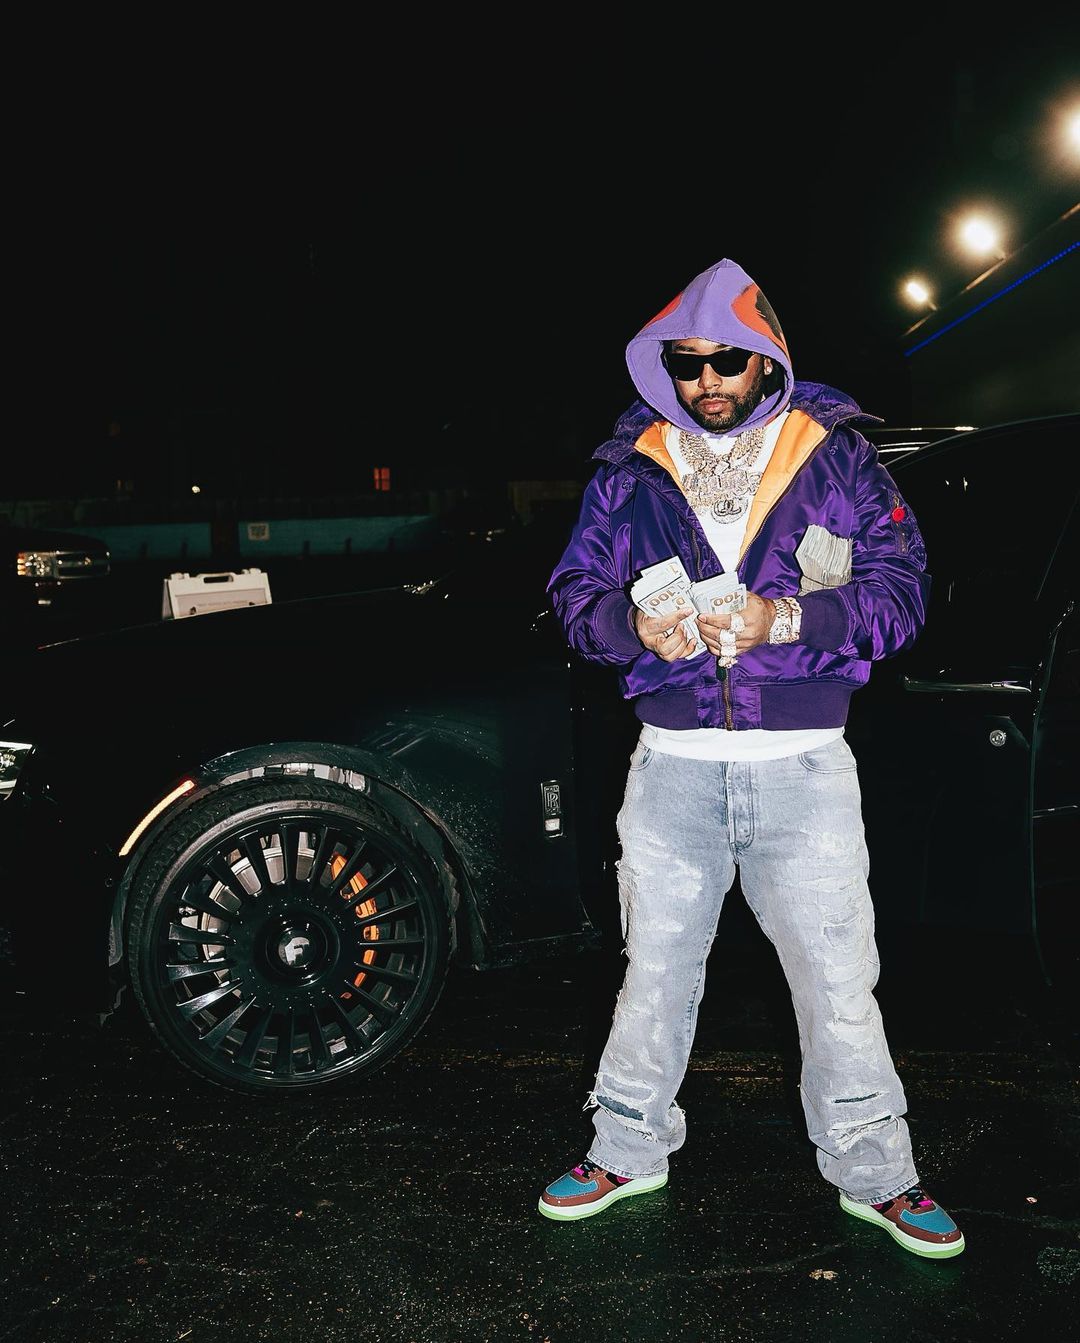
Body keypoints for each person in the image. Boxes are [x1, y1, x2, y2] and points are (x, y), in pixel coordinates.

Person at [539, 258, 964, 1259]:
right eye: (686, 364)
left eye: (726, 360)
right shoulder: (628, 468)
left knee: (837, 982)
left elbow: (902, 590)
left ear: (766, 357)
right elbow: (574, 594)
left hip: (804, 765)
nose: (706, 382)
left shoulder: (836, 457)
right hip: (671, 765)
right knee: (652, 972)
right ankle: (625, 1148)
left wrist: (789, 617)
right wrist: (634, 628)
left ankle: (878, 1170)